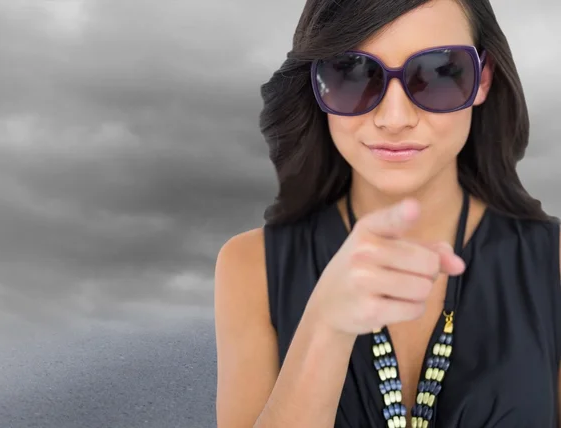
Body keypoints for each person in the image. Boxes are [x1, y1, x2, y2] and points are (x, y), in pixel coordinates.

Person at [214, 0, 561, 427]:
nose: (394, 119)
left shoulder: (554, 260)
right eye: (352, 73)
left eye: (440, 72)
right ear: (316, 85)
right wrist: (325, 327)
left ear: (483, 80)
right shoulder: (250, 267)